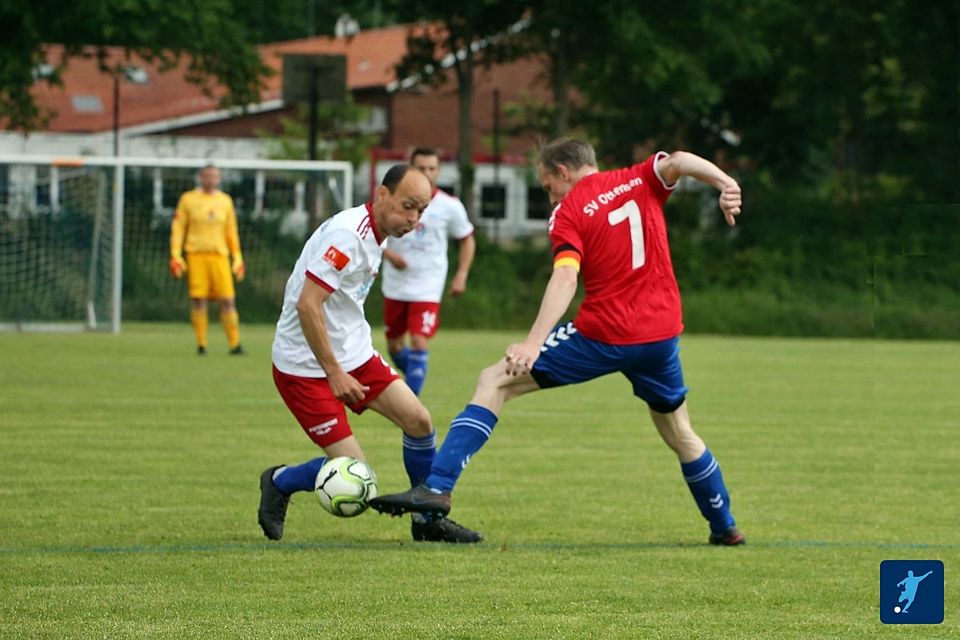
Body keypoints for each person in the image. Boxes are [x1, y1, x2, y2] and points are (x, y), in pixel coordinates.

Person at [371, 137, 747, 546]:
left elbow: (566, 276)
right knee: (679, 431)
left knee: (494, 380)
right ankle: (724, 526)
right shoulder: (640, 178)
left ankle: (436, 487)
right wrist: (725, 182)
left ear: (563, 172)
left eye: (548, 187)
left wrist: (533, 343)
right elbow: (681, 160)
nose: (550, 197)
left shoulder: (568, 211)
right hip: (661, 336)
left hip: (605, 333)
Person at [258, 164, 482, 544]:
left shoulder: (376, 234)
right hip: (303, 366)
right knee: (353, 475)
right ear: (382, 195)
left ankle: (427, 521)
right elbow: (308, 305)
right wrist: (334, 373)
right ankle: (279, 481)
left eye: (421, 211)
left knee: (419, 421)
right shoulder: (348, 236)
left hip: (355, 355)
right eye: (407, 206)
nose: (413, 219)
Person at [381, 147, 476, 395]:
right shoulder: (391, 201)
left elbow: (466, 238)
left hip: (428, 284)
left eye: (432, 168)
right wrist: (389, 255)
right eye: (421, 168)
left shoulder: (449, 206)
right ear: (410, 169)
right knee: (394, 346)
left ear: (438, 171)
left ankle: (410, 402)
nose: (427, 173)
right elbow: (375, 234)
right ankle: (414, 374)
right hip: (396, 284)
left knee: (419, 339)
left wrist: (461, 274)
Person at [169, 164, 245, 355]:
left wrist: (237, 257)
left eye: (214, 176)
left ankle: (234, 344)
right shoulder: (188, 199)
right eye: (207, 175)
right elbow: (179, 227)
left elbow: (231, 231)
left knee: (228, 300)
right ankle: (201, 343)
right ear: (201, 177)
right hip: (197, 255)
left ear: (218, 178)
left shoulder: (225, 201)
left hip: (220, 256)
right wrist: (176, 254)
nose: (211, 179)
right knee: (198, 300)